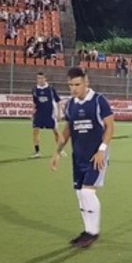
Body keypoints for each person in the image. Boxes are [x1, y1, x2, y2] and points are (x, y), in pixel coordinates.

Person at [50, 67, 115, 249]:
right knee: (80, 194)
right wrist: (57, 152)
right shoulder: (70, 104)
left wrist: (102, 150)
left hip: (96, 156)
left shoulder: (98, 101)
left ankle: (93, 232)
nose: (73, 89)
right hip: (78, 156)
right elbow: (68, 129)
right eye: (70, 85)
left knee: (87, 192)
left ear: (86, 83)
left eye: (77, 84)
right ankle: (87, 231)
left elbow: (110, 127)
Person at [31, 72, 65, 158]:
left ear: (45, 79)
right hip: (39, 113)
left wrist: (59, 114)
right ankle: (37, 152)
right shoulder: (34, 89)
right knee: (35, 131)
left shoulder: (51, 89)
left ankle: (60, 150)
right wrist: (32, 112)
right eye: (38, 78)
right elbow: (35, 102)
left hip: (50, 114)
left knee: (56, 132)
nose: (40, 80)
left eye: (42, 78)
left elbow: (58, 101)